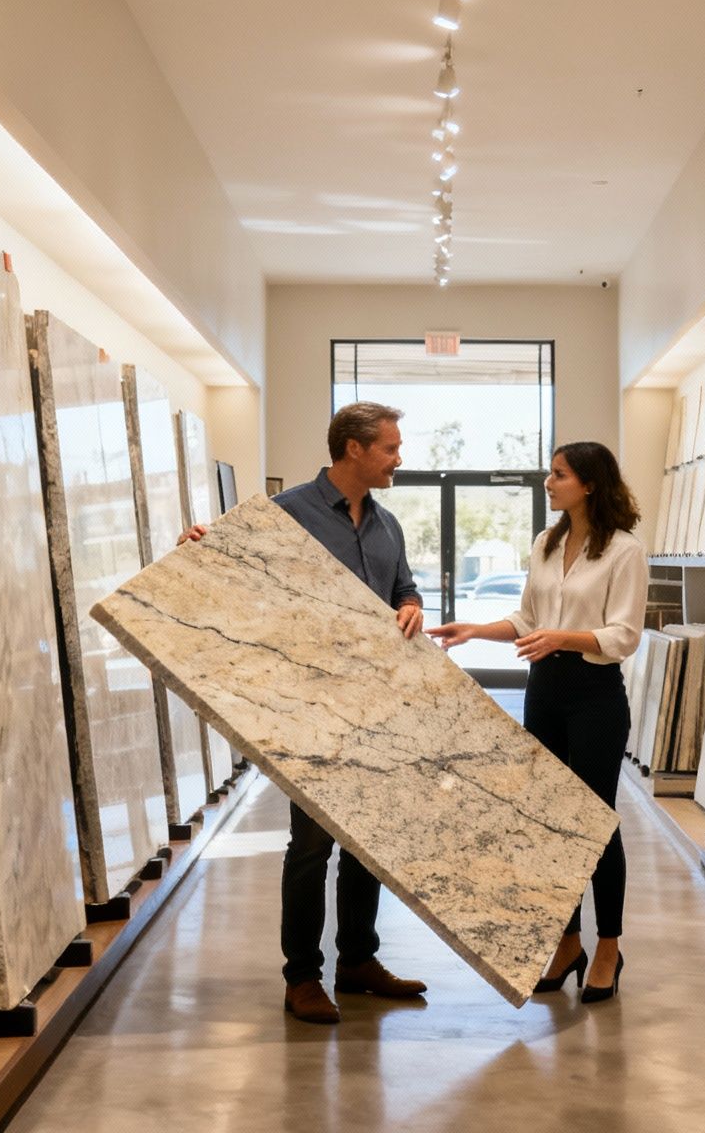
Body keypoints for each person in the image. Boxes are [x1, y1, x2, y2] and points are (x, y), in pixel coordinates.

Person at [180, 402, 428, 1025]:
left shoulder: (387, 524)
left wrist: (412, 604)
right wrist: (199, 549)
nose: (399, 458)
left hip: (376, 706)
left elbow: (404, 585)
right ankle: (302, 977)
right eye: (390, 448)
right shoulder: (288, 513)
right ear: (352, 449)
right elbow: (229, 570)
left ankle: (358, 960)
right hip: (311, 707)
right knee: (312, 846)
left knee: (369, 844)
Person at [428, 441, 647, 1003]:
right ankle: (568, 940)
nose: (548, 483)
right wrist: (475, 630)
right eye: (550, 474)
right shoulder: (545, 543)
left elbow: (624, 635)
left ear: (590, 484)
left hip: (595, 693)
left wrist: (562, 638)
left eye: (559, 474)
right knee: (551, 818)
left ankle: (608, 946)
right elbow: (528, 619)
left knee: (596, 820)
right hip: (544, 690)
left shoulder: (624, 552)